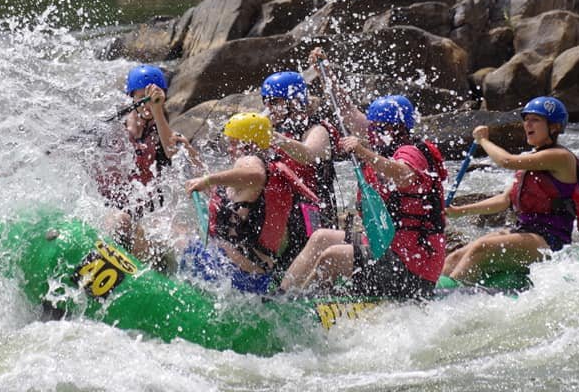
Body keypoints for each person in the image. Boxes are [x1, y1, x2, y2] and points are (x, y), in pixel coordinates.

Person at [279, 91, 449, 300]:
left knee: (331, 257)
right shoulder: (384, 145)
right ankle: (283, 296)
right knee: (321, 237)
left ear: (394, 128)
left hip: (412, 264)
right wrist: (326, 73)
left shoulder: (412, 151)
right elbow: (348, 112)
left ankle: (315, 305)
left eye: (376, 128)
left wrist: (362, 151)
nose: (370, 133)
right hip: (386, 243)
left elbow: (402, 173)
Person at [441, 96, 579, 285]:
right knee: (454, 257)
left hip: (551, 240)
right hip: (524, 231)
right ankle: (437, 289)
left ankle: (451, 295)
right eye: (526, 119)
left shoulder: (561, 157)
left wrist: (483, 141)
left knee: (481, 247)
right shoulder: (532, 160)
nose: (528, 124)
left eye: (535, 120)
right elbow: (504, 200)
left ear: (554, 127)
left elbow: (507, 161)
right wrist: (459, 211)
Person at [183, 112, 320, 294]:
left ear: (248, 143)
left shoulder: (251, 161)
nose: (230, 149)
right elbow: (219, 195)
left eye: (233, 142)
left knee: (178, 238)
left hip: (233, 273)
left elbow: (255, 174)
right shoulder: (265, 169)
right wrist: (190, 153)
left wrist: (208, 179)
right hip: (254, 278)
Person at [97, 64, 180, 260]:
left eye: (151, 98)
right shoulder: (113, 128)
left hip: (147, 211)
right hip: (110, 207)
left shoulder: (162, 130)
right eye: (142, 98)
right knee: (122, 221)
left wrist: (157, 110)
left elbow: (172, 152)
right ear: (132, 97)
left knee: (171, 239)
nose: (146, 105)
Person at [262, 70, 340, 266]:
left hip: (311, 211)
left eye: (274, 102)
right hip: (282, 209)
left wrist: (276, 139)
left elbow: (309, 154)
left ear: (294, 102)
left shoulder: (316, 129)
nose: (268, 107)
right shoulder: (278, 129)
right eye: (266, 101)